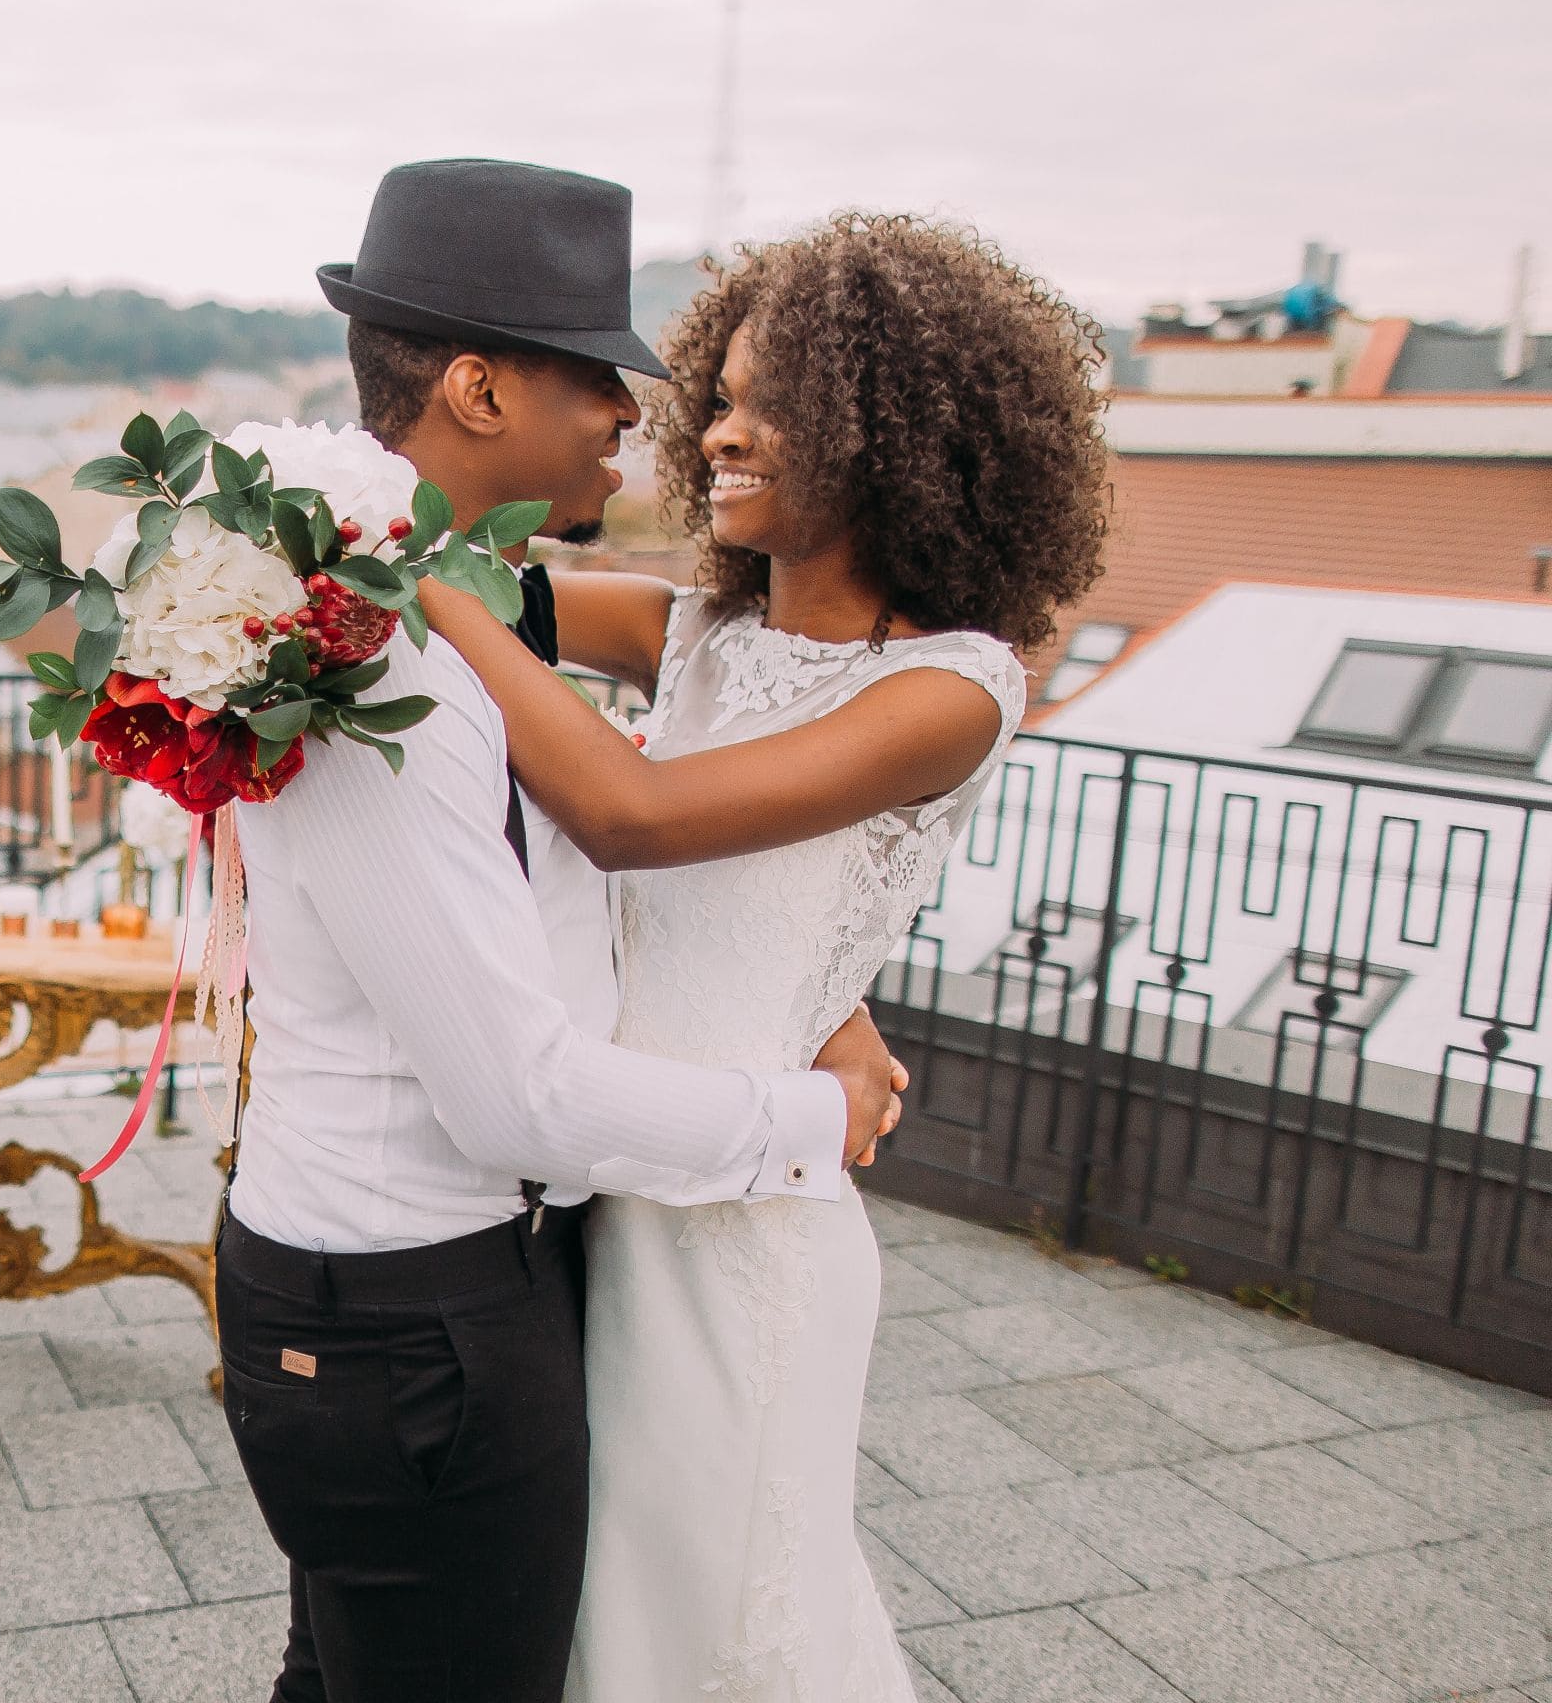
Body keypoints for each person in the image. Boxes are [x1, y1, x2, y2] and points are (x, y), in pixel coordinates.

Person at [214, 159, 908, 1703]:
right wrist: (818, 1114)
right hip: (414, 1316)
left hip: (444, 1287)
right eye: (601, 378)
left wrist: (814, 979)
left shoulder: (471, 603)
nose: (632, 419)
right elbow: (516, 1095)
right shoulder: (371, 666)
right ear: (474, 387)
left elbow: (605, 856)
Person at [416, 210, 1111, 1699]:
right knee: (617, 1617)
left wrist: (432, 600)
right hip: (613, 1190)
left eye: (765, 401)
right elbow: (475, 574)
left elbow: (633, 814)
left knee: (726, 1624)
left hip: (747, 1239)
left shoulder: (953, 688)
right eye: (717, 396)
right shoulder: (695, 636)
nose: (717, 430)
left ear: (893, 431)